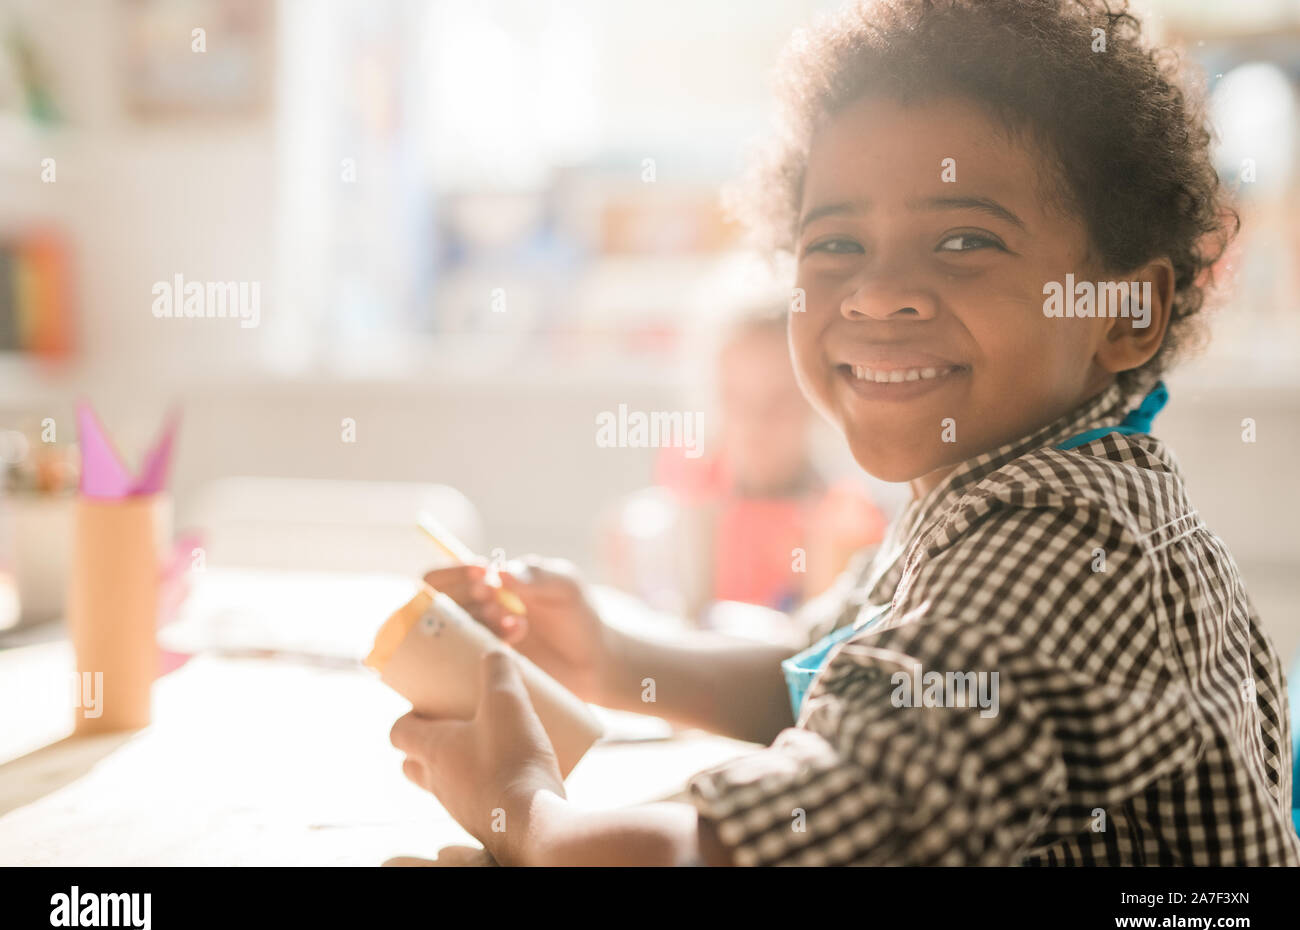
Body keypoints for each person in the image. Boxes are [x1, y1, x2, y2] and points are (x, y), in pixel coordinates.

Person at [389, 0, 1300, 865]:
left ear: (1125, 311)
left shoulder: (1061, 540)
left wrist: (521, 807)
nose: (874, 291)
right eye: (835, 245)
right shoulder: (989, 488)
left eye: (964, 241)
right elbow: (816, 670)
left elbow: (744, 854)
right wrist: (613, 656)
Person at [599, 306, 888, 619]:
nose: (755, 424)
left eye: (780, 400)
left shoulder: (849, 525)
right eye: (735, 398)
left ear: (820, 401)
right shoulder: (666, 518)